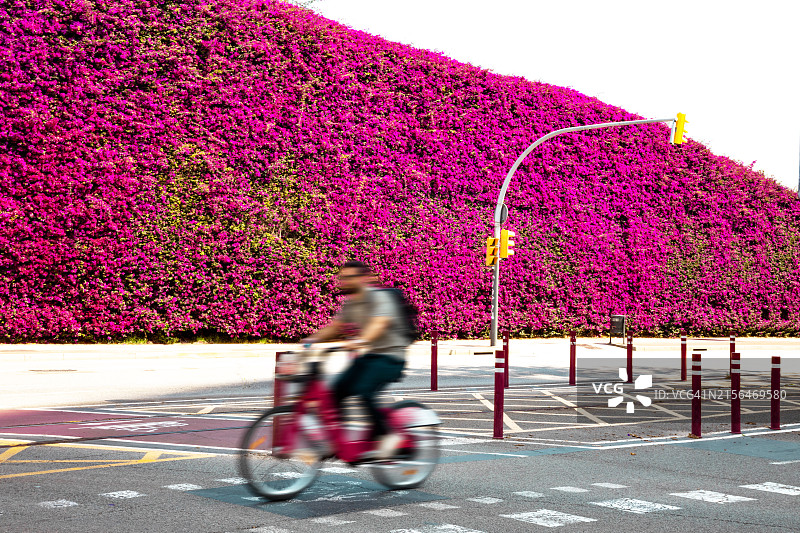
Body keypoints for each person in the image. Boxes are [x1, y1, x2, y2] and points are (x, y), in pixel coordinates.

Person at [302, 260, 409, 459]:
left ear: (363, 278)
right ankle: (337, 442)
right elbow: (336, 326)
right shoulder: (352, 303)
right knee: (335, 391)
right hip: (370, 356)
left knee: (363, 391)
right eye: (342, 278)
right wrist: (312, 339)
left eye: (349, 278)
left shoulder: (379, 298)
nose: (344, 282)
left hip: (392, 356)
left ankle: (390, 436)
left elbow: (379, 323)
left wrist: (361, 340)